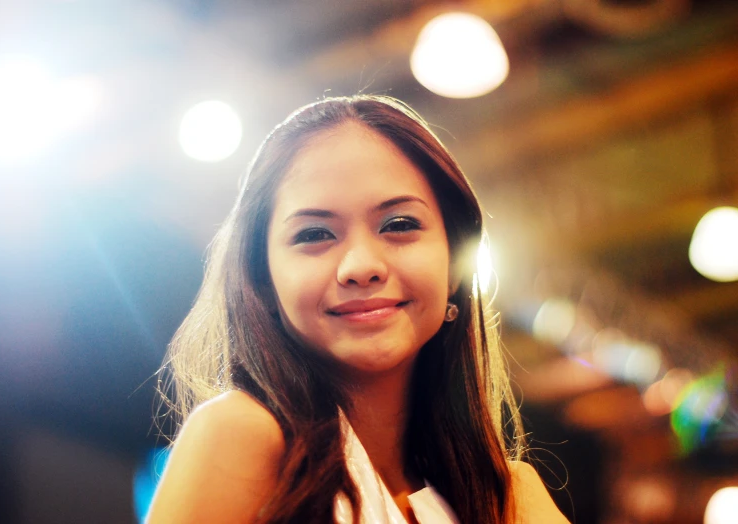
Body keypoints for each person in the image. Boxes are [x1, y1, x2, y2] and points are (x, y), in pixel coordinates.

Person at [147, 95, 569, 523]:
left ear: (456, 264)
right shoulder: (240, 435)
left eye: (400, 225)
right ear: (262, 278)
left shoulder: (507, 497)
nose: (361, 267)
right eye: (314, 234)